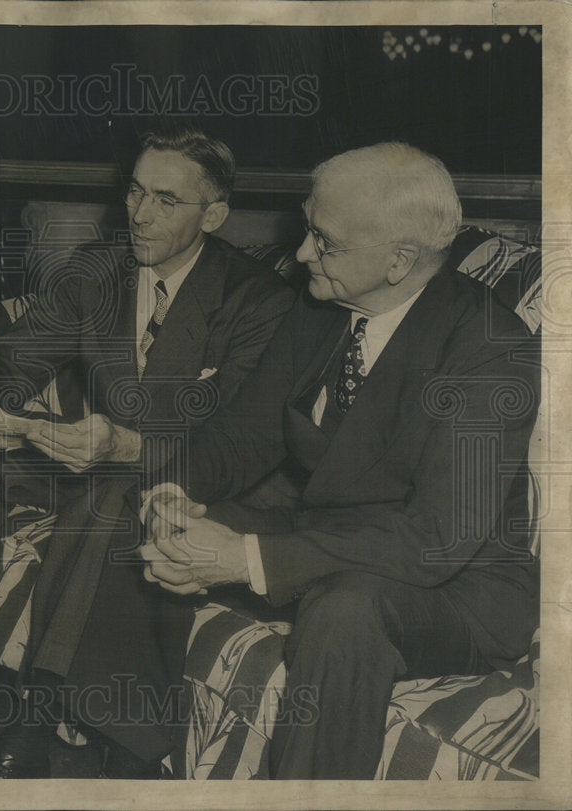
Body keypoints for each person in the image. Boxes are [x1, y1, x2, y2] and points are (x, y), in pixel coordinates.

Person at [139, 142, 540, 779]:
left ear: (399, 260)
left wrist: (245, 558)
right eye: (307, 229)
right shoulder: (321, 306)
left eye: (324, 241)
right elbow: (244, 434)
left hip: (457, 586)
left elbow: (435, 539)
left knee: (345, 611)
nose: (301, 254)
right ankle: (127, 748)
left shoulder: (490, 349)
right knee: (143, 516)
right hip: (328, 535)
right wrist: (173, 491)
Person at [0, 125, 296, 777]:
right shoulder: (98, 273)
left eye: (166, 200)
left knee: (112, 496)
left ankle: (40, 713)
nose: (139, 213)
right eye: (135, 191)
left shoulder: (259, 301)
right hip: (102, 468)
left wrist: (124, 445)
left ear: (213, 215)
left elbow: (234, 440)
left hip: (218, 484)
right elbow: (8, 358)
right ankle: (120, 743)